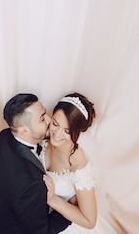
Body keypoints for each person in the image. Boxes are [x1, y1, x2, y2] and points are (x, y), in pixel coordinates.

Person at [0, 93, 72, 234]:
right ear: (24, 130)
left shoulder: (4, 137)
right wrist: (69, 209)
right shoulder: (32, 184)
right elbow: (42, 232)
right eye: (42, 118)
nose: (49, 119)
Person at [40, 93, 99, 232]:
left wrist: (52, 199)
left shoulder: (78, 163)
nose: (57, 134)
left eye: (67, 131)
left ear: (77, 132)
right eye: (55, 123)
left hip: (57, 221)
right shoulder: (44, 137)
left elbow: (90, 221)